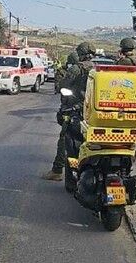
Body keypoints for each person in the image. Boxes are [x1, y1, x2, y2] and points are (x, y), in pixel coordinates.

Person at [42, 42, 95, 181]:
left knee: (65, 139)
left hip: (75, 111)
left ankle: (58, 170)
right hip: (92, 112)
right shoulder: (97, 68)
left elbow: (62, 85)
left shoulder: (76, 69)